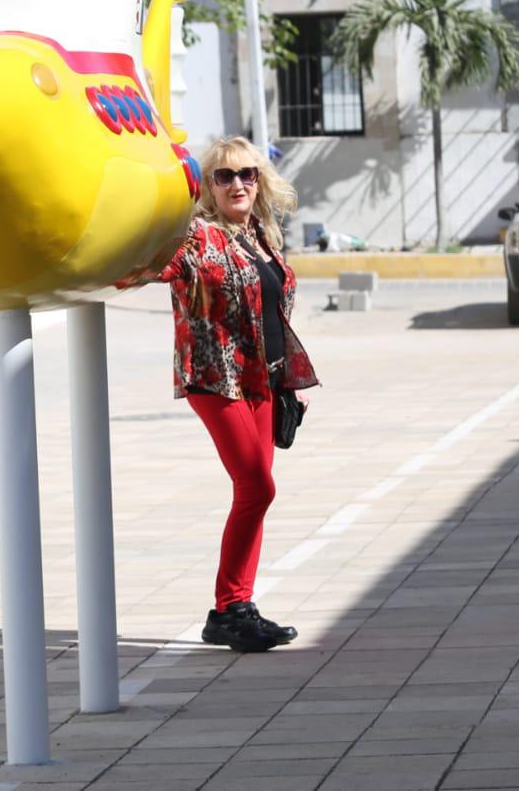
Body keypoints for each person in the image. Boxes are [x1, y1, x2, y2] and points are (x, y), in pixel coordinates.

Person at [159, 137, 319, 652]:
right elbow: (150, 266)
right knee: (257, 488)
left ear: (260, 180)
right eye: (224, 177)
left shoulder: (260, 236)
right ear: (208, 185)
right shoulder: (197, 236)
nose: (237, 185)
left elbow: (273, 311)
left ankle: (237, 607)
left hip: (263, 379)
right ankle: (229, 608)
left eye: (247, 174)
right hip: (215, 374)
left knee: (256, 492)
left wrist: (287, 385)